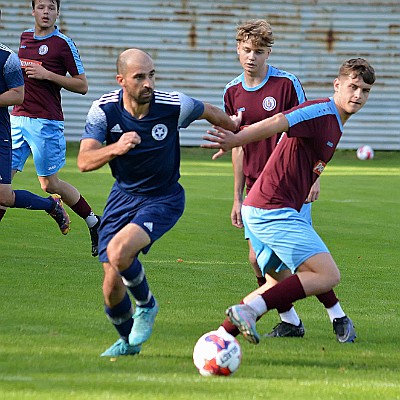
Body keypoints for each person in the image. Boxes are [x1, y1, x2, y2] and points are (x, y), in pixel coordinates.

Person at [77, 48, 240, 357]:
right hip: (123, 197)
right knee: (111, 288)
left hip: (163, 197)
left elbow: (209, 111)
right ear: (121, 80)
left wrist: (237, 131)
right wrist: (117, 147)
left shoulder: (173, 105)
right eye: (140, 77)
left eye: (152, 75)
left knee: (119, 251)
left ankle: (147, 305)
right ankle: (128, 343)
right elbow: (84, 160)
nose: (148, 83)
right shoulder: (104, 111)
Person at [203, 58, 375, 345]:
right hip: (271, 209)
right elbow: (276, 122)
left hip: (268, 208)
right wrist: (237, 139)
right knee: (327, 274)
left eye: (365, 90)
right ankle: (253, 310)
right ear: (338, 85)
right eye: (353, 86)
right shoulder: (320, 111)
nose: (358, 95)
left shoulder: (335, 122)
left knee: (275, 281)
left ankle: (219, 339)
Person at [224, 19, 353, 341]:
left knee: (302, 261)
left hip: (289, 186)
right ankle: (288, 321)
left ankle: (336, 315)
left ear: (268, 53)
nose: (252, 57)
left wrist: (314, 178)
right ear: (238, 50)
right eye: (246, 50)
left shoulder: (286, 84)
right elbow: (237, 145)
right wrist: (237, 196)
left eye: (259, 51)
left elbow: (307, 126)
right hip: (257, 189)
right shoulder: (232, 91)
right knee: (261, 262)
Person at [8, 0, 100, 255]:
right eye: (41, 7)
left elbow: (82, 86)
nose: (45, 12)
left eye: (51, 7)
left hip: (46, 122)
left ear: (57, 11)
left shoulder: (63, 44)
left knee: (49, 185)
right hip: (16, 119)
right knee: (3, 182)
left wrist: (48, 74)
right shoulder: (24, 37)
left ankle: (94, 222)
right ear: (33, 10)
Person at [0, 41, 70, 233]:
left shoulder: (7, 58)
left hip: (3, 135)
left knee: (4, 196)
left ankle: (51, 206)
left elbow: (18, 95)